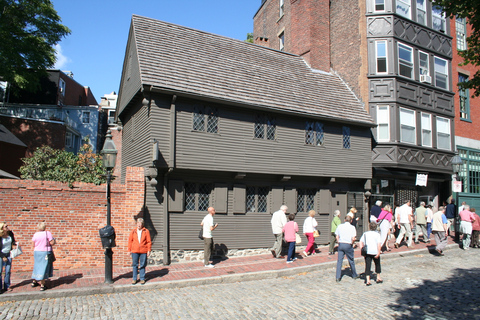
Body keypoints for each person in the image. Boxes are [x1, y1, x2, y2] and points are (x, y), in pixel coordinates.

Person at [31, 222, 56, 291]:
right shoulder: (47, 233)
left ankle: (34, 281)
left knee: (37, 266)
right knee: (43, 267)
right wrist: (54, 241)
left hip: (37, 252)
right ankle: (42, 284)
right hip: (45, 252)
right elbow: (51, 243)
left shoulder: (36, 234)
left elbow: (33, 244)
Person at [127, 218, 152, 284]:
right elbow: (130, 241)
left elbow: (148, 241)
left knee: (142, 265)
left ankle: (142, 278)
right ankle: (134, 278)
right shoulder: (133, 231)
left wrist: (149, 250)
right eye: (138, 223)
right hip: (135, 251)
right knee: (135, 265)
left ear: (142, 224)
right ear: (136, 223)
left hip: (143, 251)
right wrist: (129, 250)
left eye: (140, 223)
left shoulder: (146, 231)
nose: (139, 224)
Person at [335, 216, 359, 282]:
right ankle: (354, 274)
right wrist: (352, 243)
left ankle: (338, 277)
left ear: (344, 220)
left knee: (339, 261)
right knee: (351, 260)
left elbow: (337, 236)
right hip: (348, 244)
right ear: (351, 221)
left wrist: (338, 242)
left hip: (341, 244)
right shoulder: (352, 227)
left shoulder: (340, 226)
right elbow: (353, 238)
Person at [0, 223, 16, 292]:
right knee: (0, 271)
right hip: (1, 254)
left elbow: (13, 241)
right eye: (5, 226)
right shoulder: (0, 236)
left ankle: (7, 285)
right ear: (2, 228)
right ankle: (0, 288)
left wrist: (14, 245)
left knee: (8, 271)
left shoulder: (10, 233)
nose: (7, 227)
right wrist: (2, 256)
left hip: (9, 254)